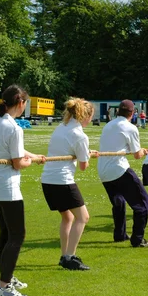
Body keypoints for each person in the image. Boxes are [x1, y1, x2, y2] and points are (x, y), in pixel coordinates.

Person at [0, 85, 45, 296]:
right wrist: (29, 162)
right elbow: (17, 162)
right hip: (8, 188)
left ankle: (7, 277)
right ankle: (3, 287)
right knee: (17, 235)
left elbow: (16, 152)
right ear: (20, 103)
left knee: (5, 233)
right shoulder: (14, 127)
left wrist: (34, 156)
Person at [41, 98, 96, 270]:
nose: (91, 120)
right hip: (62, 181)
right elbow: (83, 166)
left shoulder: (61, 127)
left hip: (48, 181)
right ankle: (70, 257)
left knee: (68, 217)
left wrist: (85, 153)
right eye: (91, 117)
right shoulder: (80, 135)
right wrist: (88, 156)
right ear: (85, 116)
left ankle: (65, 256)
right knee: (83, 217)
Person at [98, 99, 148, 248]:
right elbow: (137, 154)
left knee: (119, 202)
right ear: (132, 113)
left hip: (103, 170)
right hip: (118, 169)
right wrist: (142, 151)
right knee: (143, 203)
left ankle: (120, 235)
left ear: (118, 111)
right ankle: (137, 239)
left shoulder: (108, 125)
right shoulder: (130, 128)